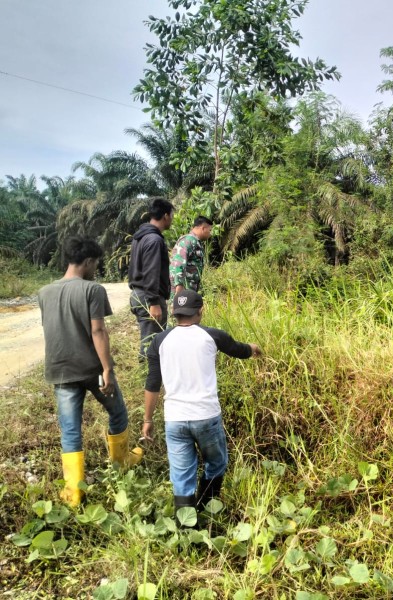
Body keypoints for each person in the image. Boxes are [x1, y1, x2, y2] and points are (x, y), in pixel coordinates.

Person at [38, 237, 143, 507]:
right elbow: (98, 330)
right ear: (87, 262)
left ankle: (74, 493)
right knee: (117, 412)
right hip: (91, 369)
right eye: (95, 263)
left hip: (60, 371)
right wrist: (107, 368)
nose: (96, 268)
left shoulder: (44, 292)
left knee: (70, 430)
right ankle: (121, 464)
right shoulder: (92, 290)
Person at [141, 290, 261, 514]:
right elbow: (240, 350)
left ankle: (186, 527)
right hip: (206, 417)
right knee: (216, 464)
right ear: (200, 311)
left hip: (175, 419)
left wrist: (147, 419)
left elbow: (152, 384)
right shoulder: (212, 335)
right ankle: (208, 509)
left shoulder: (160, 340)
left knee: (181, 475)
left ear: (175, 313)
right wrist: (254, 348)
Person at [129, 198, 174, 359]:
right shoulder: (154, 240)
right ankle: (149, 381)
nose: (172, 219)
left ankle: (149, 379)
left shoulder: (140, 237)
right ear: (165, 216)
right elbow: (150, 272)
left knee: (149, 340)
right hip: (148, 298)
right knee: (152, 344)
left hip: (139, 294)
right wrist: (154, 302)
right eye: (172, 215)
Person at [169, 216, 213, 296]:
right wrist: (179, 286)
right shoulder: (189, 240)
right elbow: (178, 263)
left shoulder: (195, 242)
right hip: (182, 290)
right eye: (209, 230)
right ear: (203, 228)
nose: (210, 234)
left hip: (188, 290)